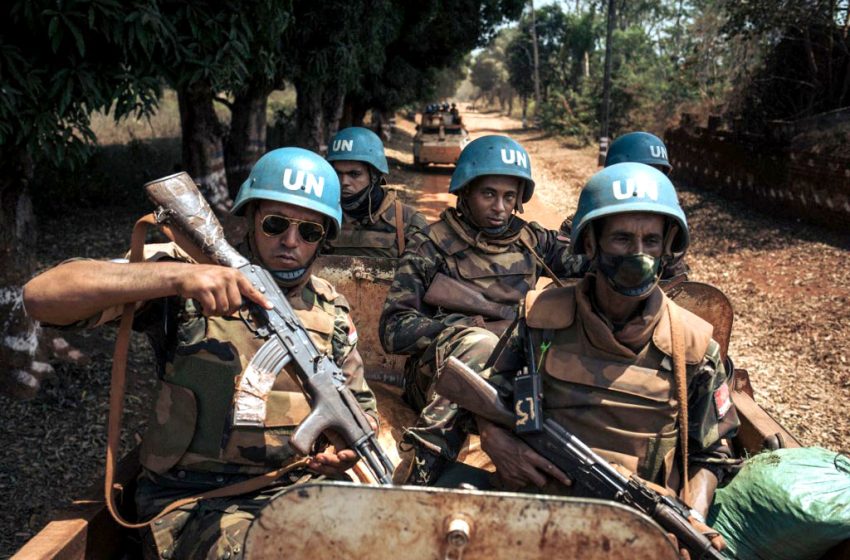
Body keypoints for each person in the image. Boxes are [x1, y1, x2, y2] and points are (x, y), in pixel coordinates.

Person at [22, 148, 378, 559]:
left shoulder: (330, 310)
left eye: (309, 232)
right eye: (275, 224)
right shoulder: (187, 279)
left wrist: (338, 453)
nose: (290, 241)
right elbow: (41, 296)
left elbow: (359, 408)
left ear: (324, 239)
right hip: (195, 501)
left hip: (296, 492)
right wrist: (178, 277)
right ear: (251, 217)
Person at [478, 162, 740, 530]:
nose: (639, 255)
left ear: (667, 248)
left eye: (651, 241)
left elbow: (712, 455)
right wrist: (496, 441)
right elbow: (486, 399)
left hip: (638, 527)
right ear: (590, 242)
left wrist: (692, 518)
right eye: (622, 239)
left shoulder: (694, 346)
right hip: (536, 511)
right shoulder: (541, 318)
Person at [379, 134, 587, 485]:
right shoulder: (431, 244)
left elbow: (587, 265)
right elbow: (393, 329)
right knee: (478, 345)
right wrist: (466, 327)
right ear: (465, 192)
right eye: (489, 194)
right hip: (438, 376)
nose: (500, 208)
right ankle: (425, 466)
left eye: (509, 197)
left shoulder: (532, 241)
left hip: (513, 375)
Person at [563, 131, 687, 282]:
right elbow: (566, 278)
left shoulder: (668, 227)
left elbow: (678, 283)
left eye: (657, 174)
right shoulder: (583, 226)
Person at [325, 126, 428, 258]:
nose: (344, 181)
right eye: (338, 173)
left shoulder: (409, 221)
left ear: (375, 175)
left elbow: (424, 275)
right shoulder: (324, 217)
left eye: (354, 174)